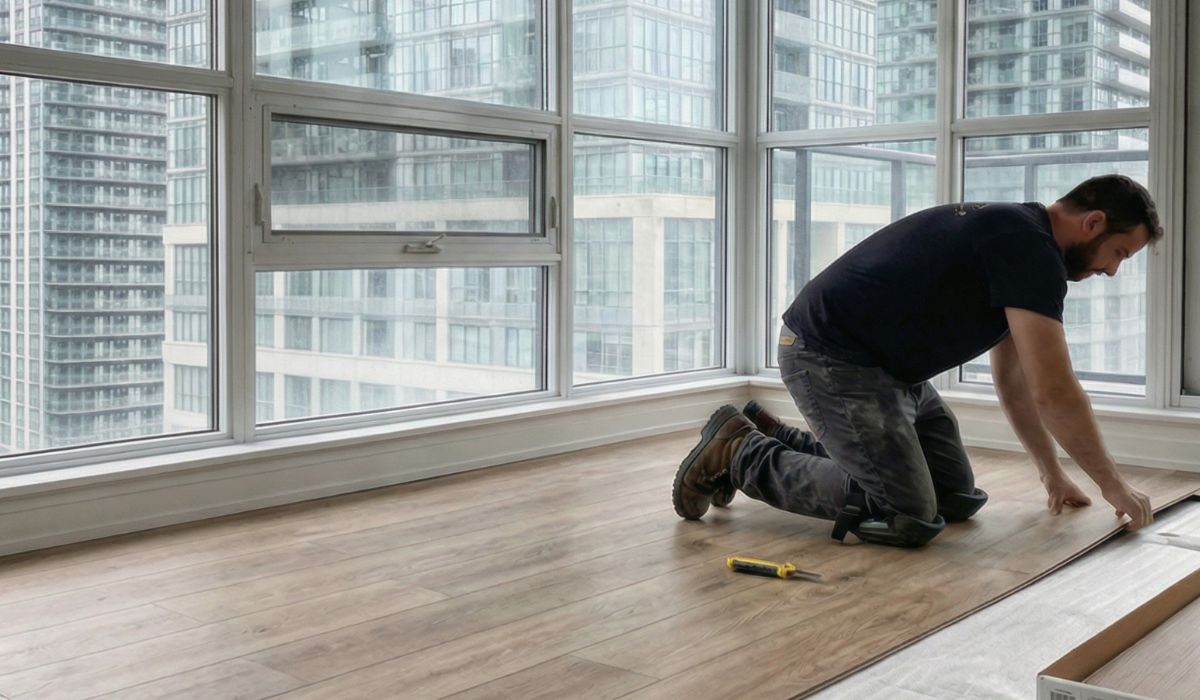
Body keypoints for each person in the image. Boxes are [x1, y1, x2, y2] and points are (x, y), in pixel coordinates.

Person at [672, 175, 1162, 547]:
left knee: (955, 497)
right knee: (906, 512)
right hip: (831, 357)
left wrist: (1050, 473)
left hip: (890, 373)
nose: (1112, 270)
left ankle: (775, 434)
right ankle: (738, 454)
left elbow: (1016, 380)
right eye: (1119, 252)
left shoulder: (1022, 241)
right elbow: (1054, 392)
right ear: (1093, 223)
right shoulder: (1026, 246)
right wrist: (1114, 487)